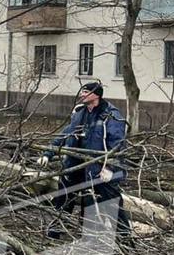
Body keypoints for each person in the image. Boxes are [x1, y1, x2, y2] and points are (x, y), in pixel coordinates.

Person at [36, 82, 130, 239]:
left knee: (112, 202)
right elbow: (65, 133)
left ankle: (125, 238)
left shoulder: (110, 115)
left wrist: (110, 169)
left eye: (85, 92)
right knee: (64, 197)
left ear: (96, 95)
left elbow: (118, 145)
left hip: (99, 169)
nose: (81, 94)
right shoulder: (79, 113)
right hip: (75, 165)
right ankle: (55, 231)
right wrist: (48, 153)